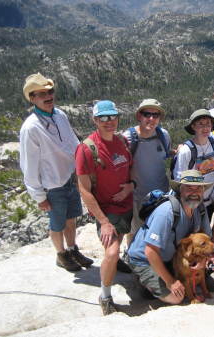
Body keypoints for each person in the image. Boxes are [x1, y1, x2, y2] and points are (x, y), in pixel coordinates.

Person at [19, 73, 93, 272]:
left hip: (70, 177)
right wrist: (39, 195)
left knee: (71, 217)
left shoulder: (60, 115)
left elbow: (72, 142)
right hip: (52, 184)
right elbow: (29, 165)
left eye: (50, 91)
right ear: (32, 98)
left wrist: (84, 163)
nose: (47, 96)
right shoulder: (31, 128)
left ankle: (72, 249)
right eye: (41, 93)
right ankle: (61, 254)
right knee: (57, 222)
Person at [75, 100, 134, 315]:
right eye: (103, 118)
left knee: (131, 242)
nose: (109, 122)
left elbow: (130, 172)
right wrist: (104, 222)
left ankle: (120, 264)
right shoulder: (87, 149)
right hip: (108, 210)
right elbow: (84, 190)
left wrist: (131, 187)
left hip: (128, 205)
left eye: (112, 117)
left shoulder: (122, 142)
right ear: (95, 120)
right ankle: (105, 296)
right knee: (111, 251)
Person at [127, 170, 212, 305]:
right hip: (145, 259)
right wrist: (170, 282)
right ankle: (143, 279)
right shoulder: (167, 212)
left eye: (198, 188)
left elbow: (208, 241)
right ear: (180, 190)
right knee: (176, 297)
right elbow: (150, 251)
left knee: (205, 281)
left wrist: (204, 260)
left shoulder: (200, 209)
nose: (194, 192)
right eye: (189, 187)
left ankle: (162, 277)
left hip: (170, 258)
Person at [123, 98, 172, 246]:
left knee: (158, 229)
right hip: (137, 196)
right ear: (139, 116)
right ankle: (131, 254)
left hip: (160, 195)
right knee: (134, 230)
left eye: (155, 115)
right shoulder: (129, 138)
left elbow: (168, 153)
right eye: (147, 114)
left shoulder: (164, 135)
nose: (151, 119)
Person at [172, 109, 214, 220]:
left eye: (208, 124)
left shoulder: (212, 143)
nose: (205, 128)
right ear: (193, 127)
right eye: (201, 124)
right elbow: (179, 179)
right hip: (193, 203)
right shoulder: (186, 150)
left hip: (210, 199)